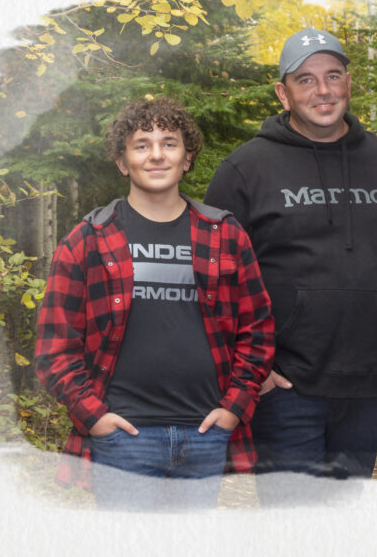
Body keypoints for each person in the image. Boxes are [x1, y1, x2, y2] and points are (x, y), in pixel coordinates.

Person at [35, 96, 274, 510]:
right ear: (123, 162)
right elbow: (55, 348)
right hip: (123, 439)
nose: (157, 154)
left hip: (205, 432)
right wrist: (94, 417)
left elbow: (258, 332)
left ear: (187, 158)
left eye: (169, 142)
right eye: (142, 144)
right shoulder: (88, 239)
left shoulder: (225, 235)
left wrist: (233, 409)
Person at [204, 27, 377, 486]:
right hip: (283, 388)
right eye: (306, 80)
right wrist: (247, 372)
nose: (323, 90)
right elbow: (211, 279)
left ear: (348, 83)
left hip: (370, 384)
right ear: (283, 92)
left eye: (333, 75)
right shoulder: (245, 169)